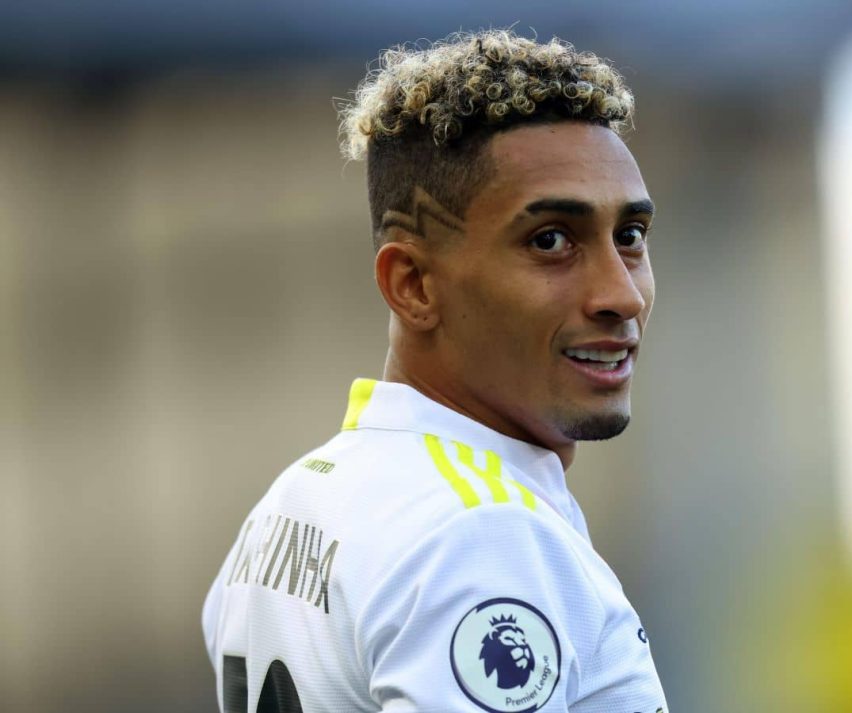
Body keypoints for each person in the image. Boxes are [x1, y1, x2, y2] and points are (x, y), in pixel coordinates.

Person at [202, 29, 667, 713]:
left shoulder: (293, 500)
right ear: (413, 284)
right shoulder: (482, 532)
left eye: (629, 237)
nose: (621, 295)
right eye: (551, 241)